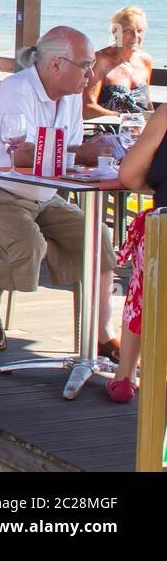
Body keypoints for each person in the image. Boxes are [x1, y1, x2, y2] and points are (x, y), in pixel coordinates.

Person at [0, 27, 122, 354]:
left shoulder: (72, 97)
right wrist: (83, 153)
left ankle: (103, 335)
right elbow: (20, 154)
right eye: (85, 64)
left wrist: (98, 156)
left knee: (97, 237)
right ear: (55, 65)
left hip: (43, 194)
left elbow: (67, 153)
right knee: (27, 241)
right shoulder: (16, 89)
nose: (92, 73)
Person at [106, 104, 167, 401]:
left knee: (142, 293)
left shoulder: (166, 114)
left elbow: (129, 175)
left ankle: (125, 376)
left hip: (164, 229)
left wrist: (158, 189)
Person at [85, 5, 154, 118]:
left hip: (140, 132)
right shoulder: (100, 61)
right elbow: (87, 108)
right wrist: (126, 119)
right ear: (115, 32)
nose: (135, 36)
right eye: (128, 30)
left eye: (140, 31)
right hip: (108, 131)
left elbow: (148, 104)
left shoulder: (145, 60)